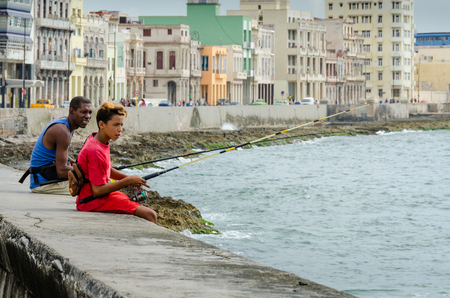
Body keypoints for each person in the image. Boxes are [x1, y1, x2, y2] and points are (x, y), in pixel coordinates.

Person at [76, 101, 157, 224]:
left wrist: (130, 180)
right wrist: (128, 181)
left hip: (92, 197)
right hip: (91, 201)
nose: (120, 130)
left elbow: (106, 169)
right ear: (101, 124)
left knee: (127, 198)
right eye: (116, 125)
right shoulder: (95, 151)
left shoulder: (98, 140)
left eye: (121, 125)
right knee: (150, 215)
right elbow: (97, 190)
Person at [20, 97, 93, 195]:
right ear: (71, 111)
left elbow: (61, 155)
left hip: (46, 179)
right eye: (84, 112)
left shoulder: (67, 126)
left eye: (90, 112)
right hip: (43, 184)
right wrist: (90, 170)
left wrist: (79, 164)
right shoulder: (62, 131)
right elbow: (62, 171)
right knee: (94, 188)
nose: (88, 116)